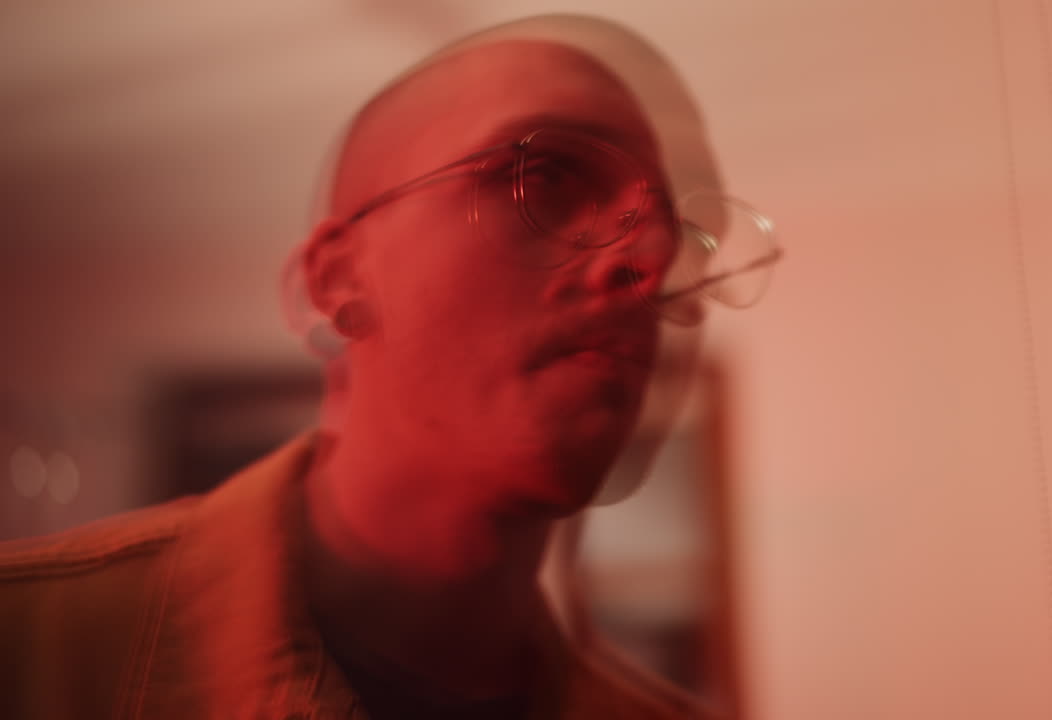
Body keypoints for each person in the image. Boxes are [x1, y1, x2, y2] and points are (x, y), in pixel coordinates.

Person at [0, 15, 778, 720]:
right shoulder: (32, 653)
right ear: (337, 280)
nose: (646, 258)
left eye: (667, 231)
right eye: (546, 176)